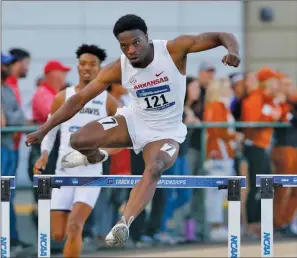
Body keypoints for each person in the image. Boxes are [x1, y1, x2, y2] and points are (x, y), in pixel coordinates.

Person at [26, 14, 240, 246]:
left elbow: (220, 36)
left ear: (146, 38)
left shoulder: (174, 50)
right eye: (124, 46)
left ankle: (123, 223)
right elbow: (78, 100)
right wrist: (44, 129)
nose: (131, 51)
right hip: (133, 122)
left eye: (136, 43)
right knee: (78, 139)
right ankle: (98, 155)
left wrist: (233, 50)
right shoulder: (118, 68)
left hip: (165, 132)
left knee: (155, 167)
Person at [33, 44, 120, 257]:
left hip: (90, 174)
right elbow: (50, 130)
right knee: (57, 234)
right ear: (78, 67)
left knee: (75, 227)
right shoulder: (63, 97)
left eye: (92, 64)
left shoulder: (108, 101)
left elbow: (123, 138)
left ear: (100, 69)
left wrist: (104, 152)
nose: (87, 68)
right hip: (64, 171)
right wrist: (44, 155)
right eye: (83, 64)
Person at [1, 52, 33, 252]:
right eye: (5, 64)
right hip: (4, 148)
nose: (8, 67)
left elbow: (18, 116)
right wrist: (13, 117)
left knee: (7, 195)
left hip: (9, 147)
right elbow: (5, 121)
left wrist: (12, 116)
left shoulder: (7, 89)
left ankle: (11, 238)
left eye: (9, 64)